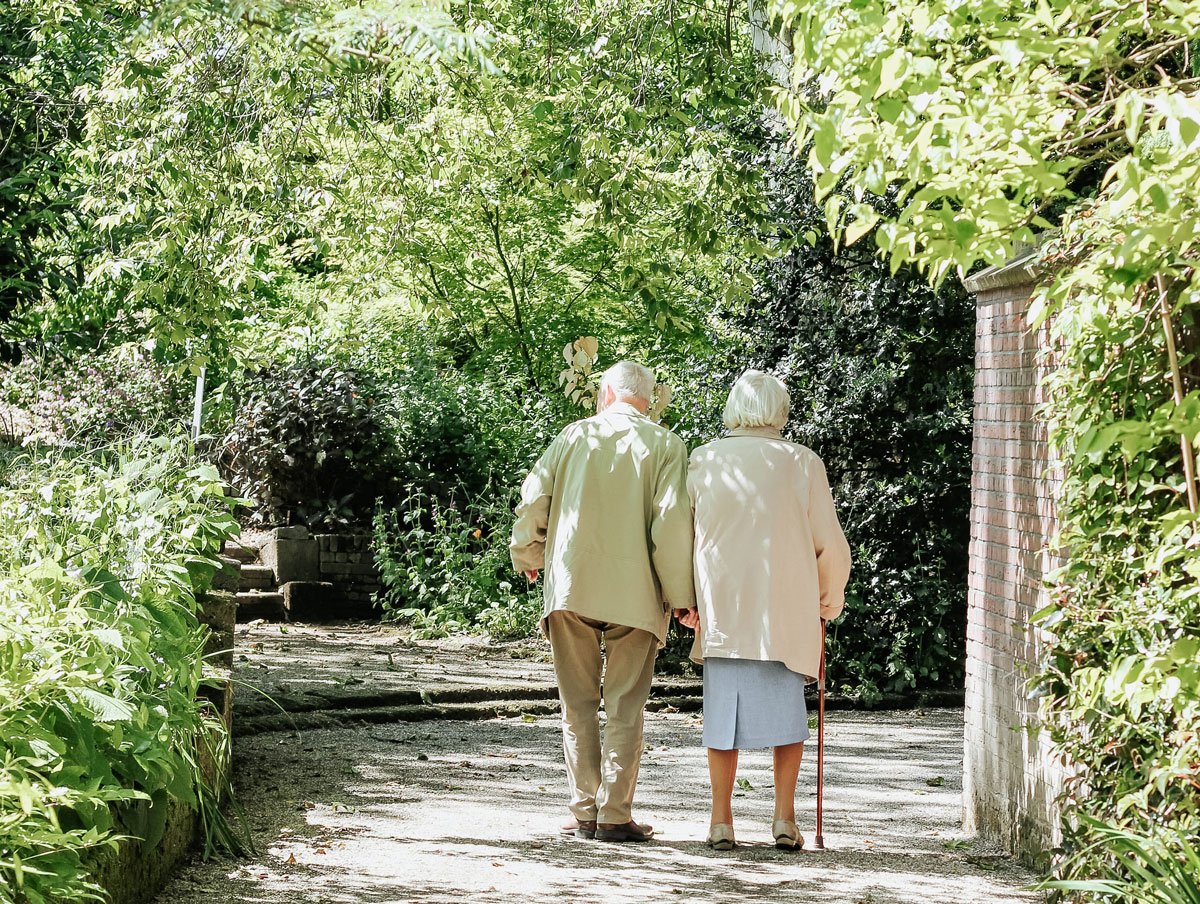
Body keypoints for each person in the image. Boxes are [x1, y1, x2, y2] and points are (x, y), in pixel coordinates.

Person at [510, 360, 695, 843]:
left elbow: (534, 499)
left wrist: (527, 552)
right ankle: (614, 815)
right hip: (636, 593)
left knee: (577, 703)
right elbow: (671, 525)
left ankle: (583, 810)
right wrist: (681, 597)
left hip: (573, 585)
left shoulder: (572, 437)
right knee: (625, 706)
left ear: (606, 394)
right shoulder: (667, 445)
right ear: (647, 400)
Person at [676, 369, 851, 851]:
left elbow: (682, 539)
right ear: (781, 410)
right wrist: (827, 602)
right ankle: (784, 818)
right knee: (787, 718)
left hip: (724, 607)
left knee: (720, 719)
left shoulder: (704, 459)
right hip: (785, 610)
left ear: (734, 408)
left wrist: (684, 600)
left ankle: (720, 819)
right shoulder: (802, 463)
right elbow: (830, 545)